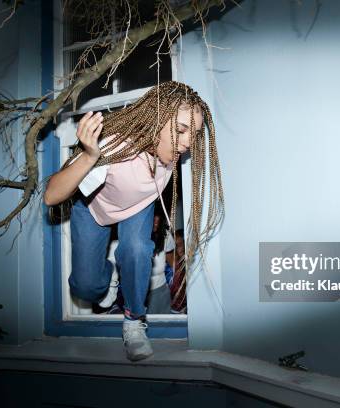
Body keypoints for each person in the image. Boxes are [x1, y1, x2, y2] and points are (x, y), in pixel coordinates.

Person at [43, 81, 224, 361]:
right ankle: (109, 277)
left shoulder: (170, 152)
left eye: (195, 133)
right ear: (154, 121)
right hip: (94, 207)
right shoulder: (114, 148)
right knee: (85, 287)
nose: (188, 142)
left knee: (138, 248)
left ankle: (134, 319)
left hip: (137, 206)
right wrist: (90, 155)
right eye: (180, 130)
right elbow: (52, 196)